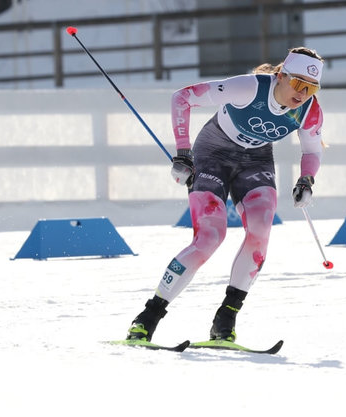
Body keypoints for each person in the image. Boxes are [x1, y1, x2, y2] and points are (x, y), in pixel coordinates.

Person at [125, 47, 325, 343]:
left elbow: (311, 149)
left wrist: (307, 180)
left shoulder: (309, 110)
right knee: (209, 237)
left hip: (255, 161)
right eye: (297, 84)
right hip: (212, 154)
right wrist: (183, 153)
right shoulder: (249, 87)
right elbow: (182, 98)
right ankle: (147, 318)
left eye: (311, 88)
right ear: (281, 76)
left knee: (260, 230)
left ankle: (225, 319)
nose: (302, 93)